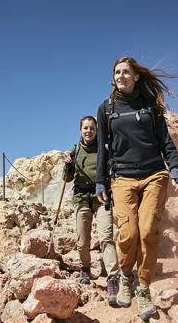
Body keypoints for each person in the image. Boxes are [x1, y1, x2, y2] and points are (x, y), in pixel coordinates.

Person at [95, 56, 178, 320]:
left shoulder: (151, 106)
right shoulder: (106, 108)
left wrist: (175, 167)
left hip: (154, 174)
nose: (121, 76)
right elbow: (102, 148)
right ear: (113, 79)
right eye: (117, 72)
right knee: (128, 233)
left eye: (126, 72)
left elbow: (164, 139)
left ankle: (143, 287)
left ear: (136, 77)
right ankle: (125, 277)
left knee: (147, 232)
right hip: (121, 177)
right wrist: (101, 180)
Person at [63, 115, 120, 307]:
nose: (89, 131)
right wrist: (67, 164)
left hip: (102, 196)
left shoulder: (104, 149)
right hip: (81, 198)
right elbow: (67, 179)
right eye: (85, 128)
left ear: (97, 130)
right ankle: (85, 268)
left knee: (106, 236)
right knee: (82, 241)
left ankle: (112, 279)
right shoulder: (75, 150)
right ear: (80, 130)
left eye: (92, 128)